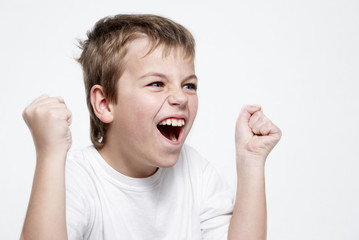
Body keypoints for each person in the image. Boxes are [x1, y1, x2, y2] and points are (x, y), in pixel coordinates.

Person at [20, 14, 281, 240]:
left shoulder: (197, 173)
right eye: (157, 83)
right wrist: (49, 155)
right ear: (105, 103)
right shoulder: (75, 181)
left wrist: (251, 162)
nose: (180, 97)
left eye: (189, 85)